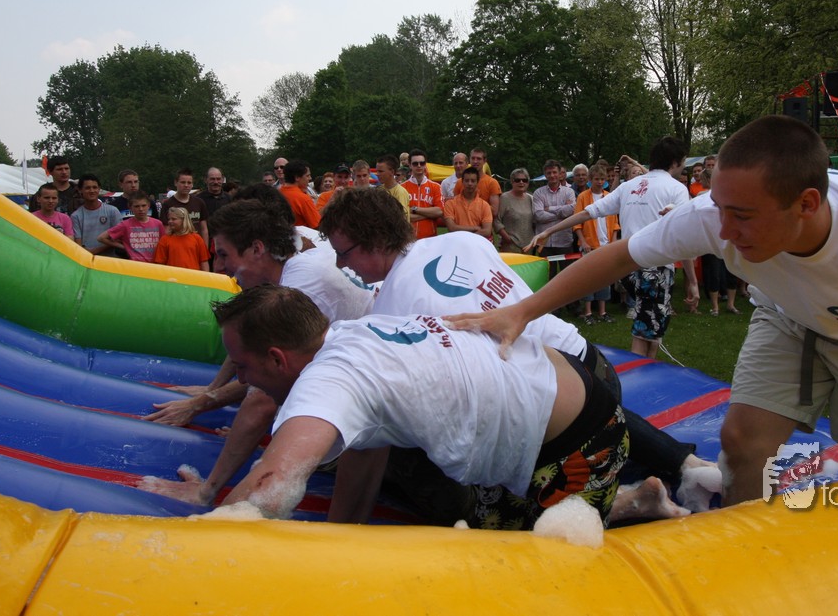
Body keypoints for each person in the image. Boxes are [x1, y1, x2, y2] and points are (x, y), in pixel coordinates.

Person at [446, 115, 838, 508]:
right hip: (790, 315)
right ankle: (743, 560)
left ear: (806, 204)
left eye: (741, 216)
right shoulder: (716, 216)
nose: (722, 230)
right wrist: (521, 312)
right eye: (719, 208)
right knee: (742, 443)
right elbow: (617, 257)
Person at [319, 187, 713, 518]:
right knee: (590, 403)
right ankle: (685, 463)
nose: (340, 264)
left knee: (451, 468)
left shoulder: (395, 311)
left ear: (374, 241)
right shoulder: (462, 241)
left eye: (344, 252)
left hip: (563, 416)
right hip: (590, 364)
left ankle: (620, 502)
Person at [184, 285, 627, 529]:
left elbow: (270, 487)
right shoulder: (355, 333)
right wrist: (336, 545)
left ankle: (620, 501)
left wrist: (196, 545)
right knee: (490, 530)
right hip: (552, 393)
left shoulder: (328, 379)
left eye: (242, 366)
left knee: (534, 574)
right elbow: (367, 444)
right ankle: (637, 499)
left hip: (581, 440)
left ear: (278, 358)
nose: (242, 381)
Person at [138, 199, 373, 506]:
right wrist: (211, 390)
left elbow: (260, 397)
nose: (220, 267)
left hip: (375, 425)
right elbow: (249, 337)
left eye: (224, 255)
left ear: (257, 249)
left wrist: (207, 490)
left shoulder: (301, 285)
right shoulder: (298, 242)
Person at [526, 137, 695, 359]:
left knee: (650, 331)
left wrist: (548, 231)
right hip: (656, 270)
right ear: (675, 162)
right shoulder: (677, 189)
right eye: (683, 161)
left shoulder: (629, 186)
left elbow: (588, 212)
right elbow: (683, 236)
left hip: (627, 267)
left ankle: (645, 368)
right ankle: (639, 375)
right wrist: (692, 281)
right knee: (645, 334)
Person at [573, 164, 620, 324]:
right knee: (588, 278)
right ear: (590, 180)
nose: (600, 182)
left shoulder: (609, 197)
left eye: (602, 179)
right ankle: (587, 312)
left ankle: (602, 311)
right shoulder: (583, 197)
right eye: (597, 179)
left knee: (604, 278)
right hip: (589, 244)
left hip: (605, 244)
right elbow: (577, 223)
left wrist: (613, 241)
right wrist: (583, 241)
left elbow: (615, 223)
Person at [97, 191, 164, 262]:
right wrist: (124, 247)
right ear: (130, 208)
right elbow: (101, 238)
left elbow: (163, 243)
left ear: (148, 206)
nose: (141, 209)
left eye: (143, 205)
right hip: (135, 264)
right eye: (136, 206)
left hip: (155, 264)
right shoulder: (125, 225)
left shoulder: (158, 224)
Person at [531, 159, 577, 262]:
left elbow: (571, 210)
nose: (552, 175)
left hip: (564, 240)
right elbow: (539, 215)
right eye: (549, 173)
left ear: (560, 174)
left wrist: (550, 209)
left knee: (567, 271)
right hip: (544, 243)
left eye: (554, 172)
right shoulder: (538, 193)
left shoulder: (569, 192)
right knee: (548, 271)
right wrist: (562, 214)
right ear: (545, 175)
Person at [71, 174, 121, 254]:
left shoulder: (112, 211)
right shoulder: (76, 216)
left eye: (94, 187)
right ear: (80, 190)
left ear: (99, 189)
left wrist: (94, 251)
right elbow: (78, 244)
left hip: (110, 259)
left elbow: (118, 237)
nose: (92, 191)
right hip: (86, 259)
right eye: (87, 188)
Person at [402, 149, 444, 240]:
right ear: (410, 165)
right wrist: (429, 214)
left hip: (430, 239)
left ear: (425, 164)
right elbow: (402, 216)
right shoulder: (402, 188)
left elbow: (439, 211)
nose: (419, 166)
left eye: (422, 163)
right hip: (408, 239)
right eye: (415, 163)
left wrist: (414, 209)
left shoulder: (436, 187)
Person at [160, 169, 209, 245]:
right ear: (176, 183)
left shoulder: (199, 202)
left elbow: (204, 229)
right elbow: (166, 230)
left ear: (192, 184)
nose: (186, 185)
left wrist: (205, 247)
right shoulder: (168, 204)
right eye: (183, 182)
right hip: (177, 246)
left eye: (189, 183)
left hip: (196, 246)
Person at [442, 166, 493, 239]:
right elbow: (451, 228)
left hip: (476, 244)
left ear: (477, 182)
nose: (469, 183)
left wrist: (467, 236)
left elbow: (487, 231)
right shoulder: (450, 204)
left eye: (473, 181)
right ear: (462, 182)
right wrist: (475, 228)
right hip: (457, 243)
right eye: (467, 180)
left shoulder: (484, 205)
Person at [154, 207, 211, 271]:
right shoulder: (164, 240)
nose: (170, 221)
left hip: (193, 276)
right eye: (169, 219)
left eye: (174, 219)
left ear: (184, 220)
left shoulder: (197, 238)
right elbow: (160, 264)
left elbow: (204, 262)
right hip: (172, 276)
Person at [496, 168, 535, 253]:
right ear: (512, 181)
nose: (521, 182)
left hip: (529, 246)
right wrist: (507, 238)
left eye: (524, 180)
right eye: (517, 180)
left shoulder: (531, 199)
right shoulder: (504, 198)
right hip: (510, 245)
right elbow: (496, 220)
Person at [279, 159, 321, 229]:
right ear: (297, 177)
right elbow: (317, 225)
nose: (310, 178)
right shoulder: (303, 199)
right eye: (307, 176)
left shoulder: (277, 194)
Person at [374, 154, 411, 220]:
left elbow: (401, 218)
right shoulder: (378, 190)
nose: (377, 174)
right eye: (377, 171)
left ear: (392, 172)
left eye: (381, 171)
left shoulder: (400, 192)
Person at [469, 147, 501, 220]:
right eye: (473, 158)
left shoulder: (492, 182)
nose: (475, 161)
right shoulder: (460, 182)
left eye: (478, 159)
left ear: (484, 161)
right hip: (463, 225)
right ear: (469, 160)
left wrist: (473, 204)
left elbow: (494, 211)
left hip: (483, 224)